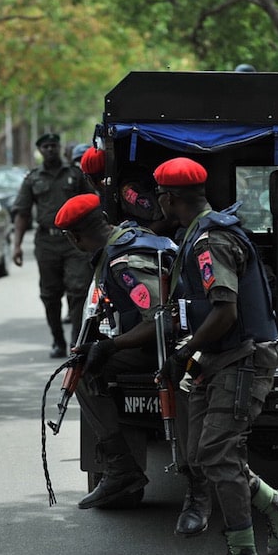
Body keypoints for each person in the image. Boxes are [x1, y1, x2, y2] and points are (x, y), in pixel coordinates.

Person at [155, 156, 278, 555]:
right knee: (204, 451)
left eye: (159, 195)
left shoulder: (210, 241)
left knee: (217, 453)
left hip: (242, 359)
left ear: (170, 197)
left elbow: (224, 313)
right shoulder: (199, 233)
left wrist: (183, 353)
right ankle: (275, 503)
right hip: (221, 358)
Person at [53, 193, 178, 508]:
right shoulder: (133, 235)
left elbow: (160, 323)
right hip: (174, 341)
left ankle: (122, 469)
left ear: (73, 237)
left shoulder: (123, 261)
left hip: (170, 348)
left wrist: (110, 346)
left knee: (82, 373)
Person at [12, 132, 90, 358]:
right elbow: (22, 213)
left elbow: (90, 205)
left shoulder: (75, 175)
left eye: (53, 146)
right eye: (45, 146)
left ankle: (77, 340)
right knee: (50, 294)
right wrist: (16, 246)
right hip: (46, 242)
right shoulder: (33, 178)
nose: (49, 150)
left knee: (78, 290)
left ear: (59, 148)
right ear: (40, 150)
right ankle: (57, 340)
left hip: (74, 240)